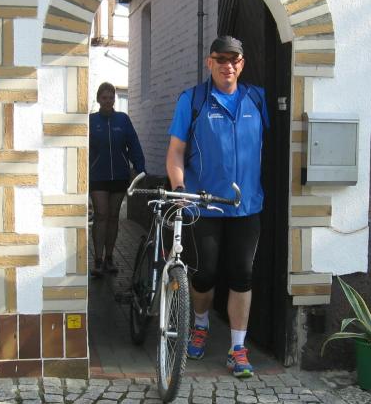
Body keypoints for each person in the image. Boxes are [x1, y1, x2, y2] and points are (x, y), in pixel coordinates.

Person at [165, 35, 268, 378]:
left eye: (233, 60)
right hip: (205, 205)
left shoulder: (256, 99)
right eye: (220, 59)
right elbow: (176, 151)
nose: (227, 65)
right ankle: (201, 323)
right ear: (209, 62)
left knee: (242, 274)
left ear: (242, 64)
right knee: (205, 273)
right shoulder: (193, 100)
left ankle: (238, 348)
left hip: (246, 206)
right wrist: (180, 188)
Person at [89, 82, 145, 278]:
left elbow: (134, 144)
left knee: (113, 216)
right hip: (97, 176)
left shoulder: (123, 120)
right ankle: (97, 259)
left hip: (119, 176)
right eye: (104, 98)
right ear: (98, 99)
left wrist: (140, 169)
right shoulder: (91, 121)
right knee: (101, 215)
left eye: (111, 97)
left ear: (114, 99)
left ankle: (109, 258)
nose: (108, 101)